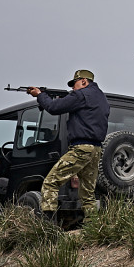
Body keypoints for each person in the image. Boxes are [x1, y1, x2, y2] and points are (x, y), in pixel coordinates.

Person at [24, 69, 110, 223]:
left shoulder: (81, 95)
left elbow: (53, 108)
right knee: (88, 194)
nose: (72, 89)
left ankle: (47, 225)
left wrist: (40, 95)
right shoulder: (102, 98)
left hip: (81, 148)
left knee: (50, 183)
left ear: (84, 81)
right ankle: (93, 227)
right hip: (96, 150)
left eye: (75, 84)